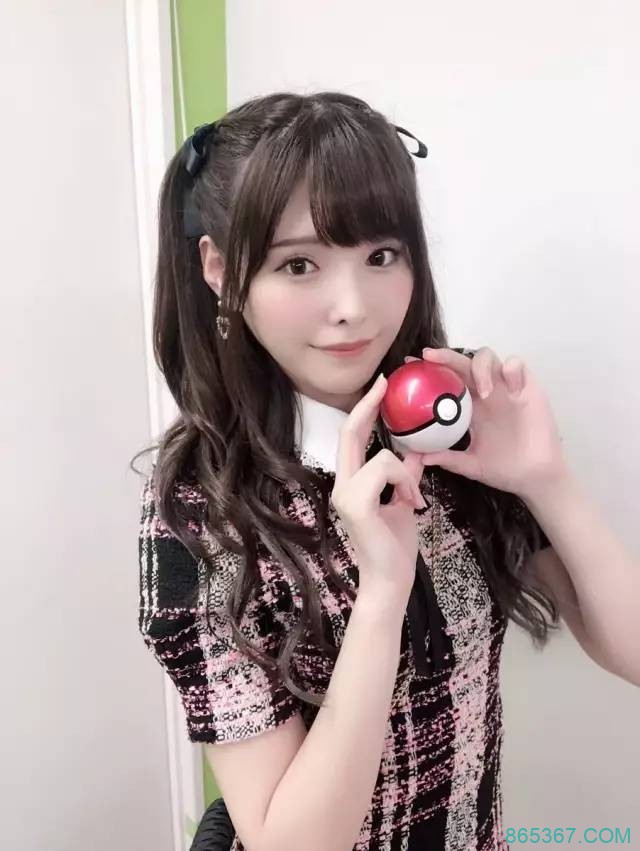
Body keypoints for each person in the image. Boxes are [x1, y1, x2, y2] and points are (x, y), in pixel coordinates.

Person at [132, 91, 639, 851]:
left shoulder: (451, 424)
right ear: (219, 269)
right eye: (298, 264)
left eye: (381, 256)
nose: (353, 308)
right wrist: (381, 593)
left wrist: (545, 479)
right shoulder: (199, 510)